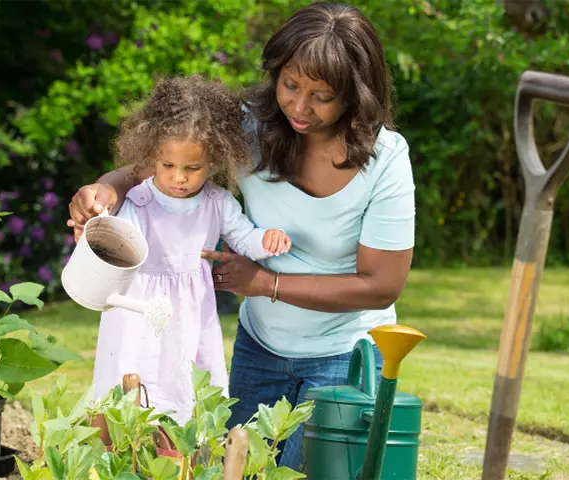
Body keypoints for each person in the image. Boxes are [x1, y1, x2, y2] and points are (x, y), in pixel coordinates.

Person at [68, 2, 414, 470]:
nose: (298, 105)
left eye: (321, 96)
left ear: (356, 94)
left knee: (295, 473)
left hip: (344, 353)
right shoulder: (254, 125)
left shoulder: (385, 159)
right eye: (290, 85)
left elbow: (381, 285)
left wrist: (265, 283)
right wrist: (104, 190)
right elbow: (158, 163)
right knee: (228, 467)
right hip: (260, 349)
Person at [90, 75, 291, 426]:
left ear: (213, 161)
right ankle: (122, 455)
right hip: (139, 310)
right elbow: (122, 244)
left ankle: (183, 457)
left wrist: (266, 240)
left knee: (186, 387)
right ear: (153, 156)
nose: (179, 178)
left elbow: (243, 239)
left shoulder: (218, 202)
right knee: (130, 379)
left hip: (190, 312)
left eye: (192, 168)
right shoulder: (140, 200)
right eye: (168, 166)